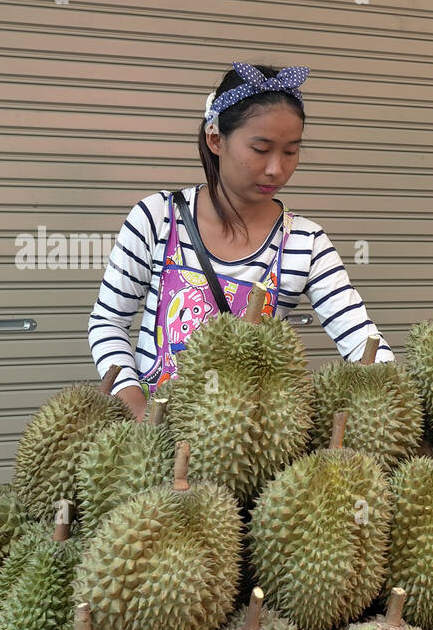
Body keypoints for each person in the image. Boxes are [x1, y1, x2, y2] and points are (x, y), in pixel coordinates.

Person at [89, 61, 392, 420]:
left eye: (291, 151)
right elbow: (108, 321)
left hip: (250, 443)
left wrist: (392, 393)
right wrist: (135, 405)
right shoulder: (157, 218)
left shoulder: (305, 241)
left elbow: (361, 338)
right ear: (216, 139)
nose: (276, 169)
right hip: (153, 437)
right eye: (261, 149)